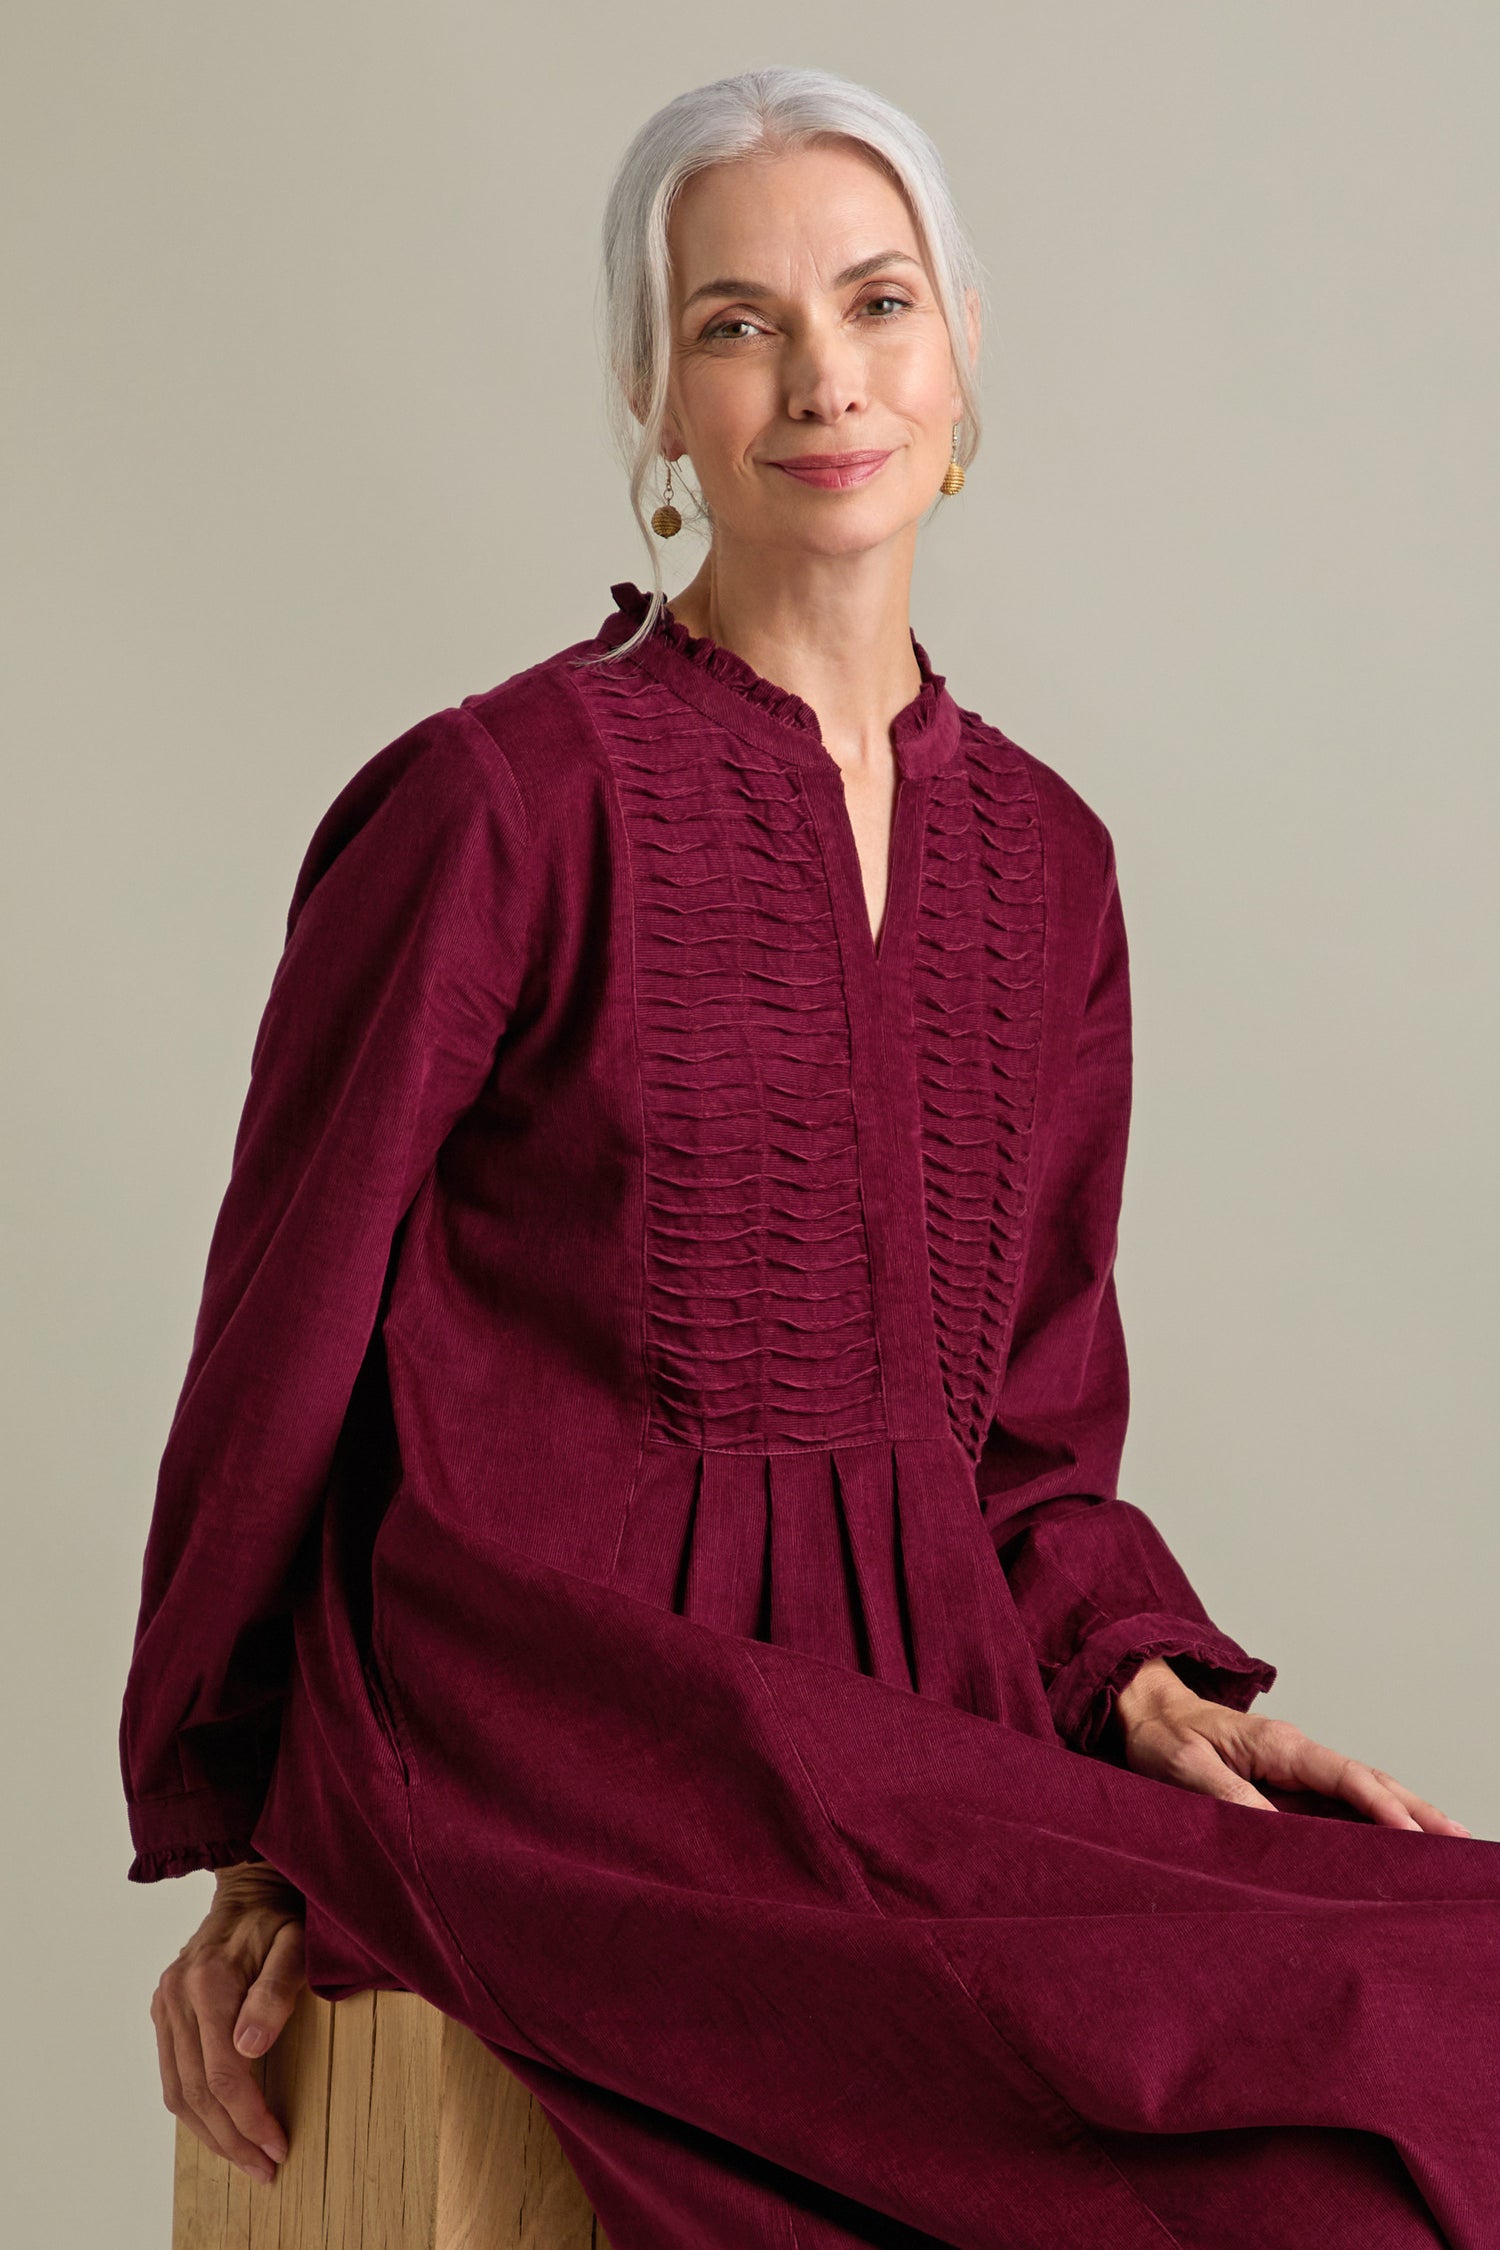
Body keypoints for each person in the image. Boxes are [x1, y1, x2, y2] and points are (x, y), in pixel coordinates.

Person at [122, 66, 1498, 2250]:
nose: (821, 374)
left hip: (932, 1714)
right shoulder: (492, 806)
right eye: (736, 322)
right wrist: (257, 1834)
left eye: (875, 302)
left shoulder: (1049, 862)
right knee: (1299, 2105)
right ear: (654, 401)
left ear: (961, 360)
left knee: (1452, 1979)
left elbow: (1027, 1432)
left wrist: (1138, 1674)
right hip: (560, 1741)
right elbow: (279, 1349)